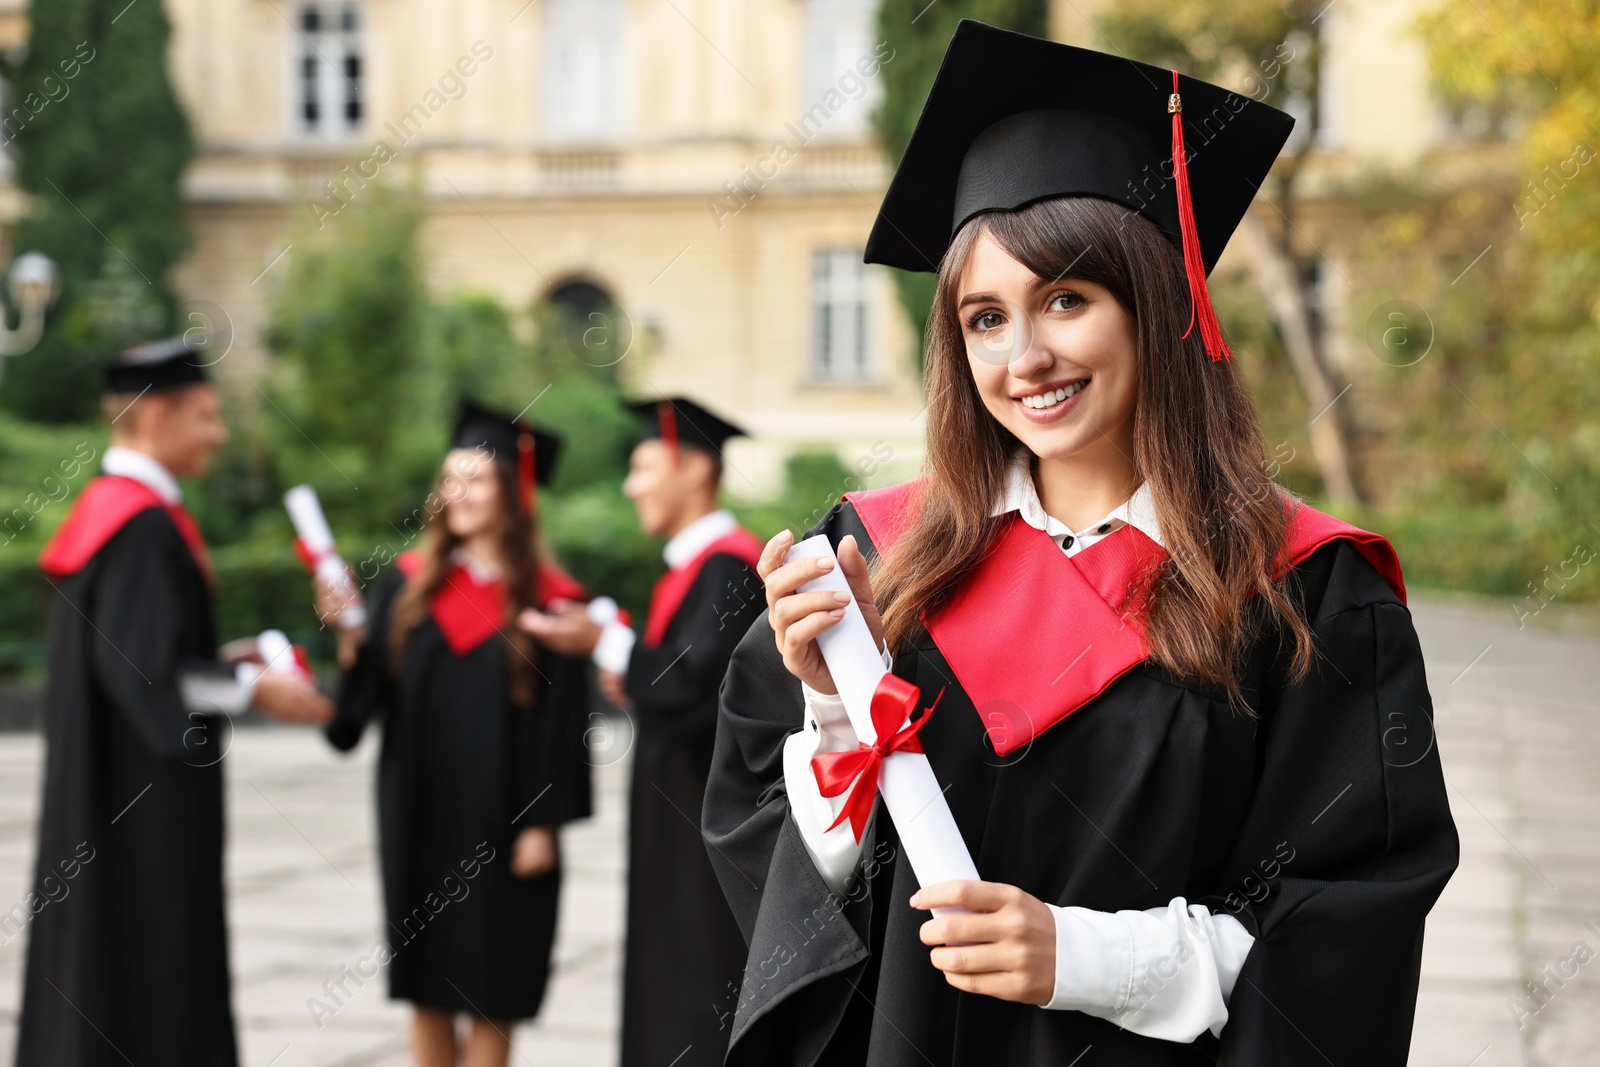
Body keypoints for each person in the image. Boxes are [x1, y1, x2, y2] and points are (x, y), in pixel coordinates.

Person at [702, 22, 1459, 1067]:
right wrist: (834, 703)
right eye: (983, 317)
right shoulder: (881, 560)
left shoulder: (1305, 592)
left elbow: (1343, 929)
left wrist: (1081, 954)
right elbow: (789, 885)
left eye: (1065, 298)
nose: (1025, 357)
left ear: (1156, 303)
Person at [16, 337, 334, 1067]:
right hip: (139, 811)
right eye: (206, 416)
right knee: (147, 973)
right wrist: (256, 688)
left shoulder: (117, 514)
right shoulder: (140, 525)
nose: (219, 434)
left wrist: (227, 663)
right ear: (156, 417)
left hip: (110, 791)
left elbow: (140, 661)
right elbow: (147, 677)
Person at [318, 399, 592, 1067]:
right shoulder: (411, 586)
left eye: (476, 478)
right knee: (426, 982)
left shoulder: (553, 600)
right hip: (418, 809)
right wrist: (352, 640)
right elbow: (362, 707)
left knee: (496, 979)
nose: (458, 493)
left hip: (505, 822)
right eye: (450, 479)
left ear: (512, 492)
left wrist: (542, 822)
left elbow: (564, 723)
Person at [519, 397, 764, 1067]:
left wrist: (608, 642)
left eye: (641, 465)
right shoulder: (694, 568)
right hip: (678, 817)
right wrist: (629, 665)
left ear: (692, 468)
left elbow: (691, 688)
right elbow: (684, 679)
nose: (630, 484)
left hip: (704, 826)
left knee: (695, 978)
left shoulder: (727, 566)